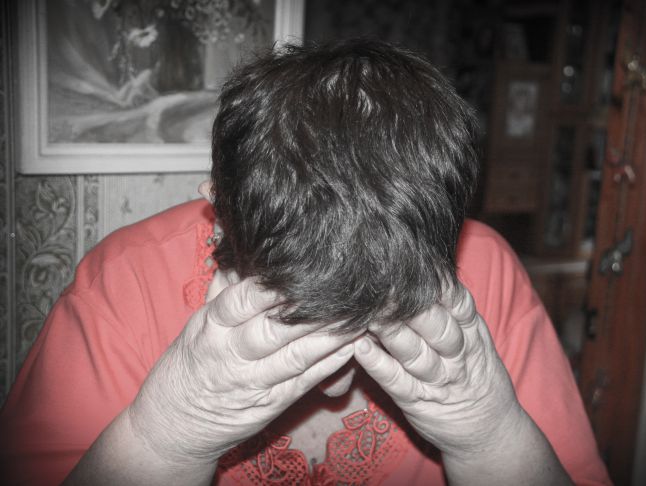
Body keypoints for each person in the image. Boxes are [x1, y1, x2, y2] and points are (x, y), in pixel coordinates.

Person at [0, 39, 611, 485]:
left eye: (381, 323)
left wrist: (491, 433)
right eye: (296, 317)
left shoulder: (490, 270)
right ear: (219, 210)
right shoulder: (121, 282)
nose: (333, 378)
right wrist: (165, 435)